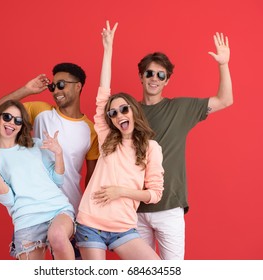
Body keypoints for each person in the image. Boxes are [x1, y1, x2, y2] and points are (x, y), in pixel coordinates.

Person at [135, 33, 233, 259]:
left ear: (167, 80)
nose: (154, 78)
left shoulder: (180, 108)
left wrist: (224, 65)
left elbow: (225, 100)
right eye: (149, 73)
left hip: (169, 207)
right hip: (135, 208)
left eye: (161, 75)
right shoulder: (127, 111)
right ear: (141, 76)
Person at [0, 63, 99, 259]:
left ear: (78, 86)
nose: (55, 90)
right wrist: (27, 90)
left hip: (69, 211)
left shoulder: (90, 129)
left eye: (62, 84)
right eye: (53, 86)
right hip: (33, 211)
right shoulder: (41, 111)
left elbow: (92, 178)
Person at [75, 21, 164, 260]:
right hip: (90, 223)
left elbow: (154, 194)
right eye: (113, 113)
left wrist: (121, 192)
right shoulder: (106, 138)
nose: (118, 115)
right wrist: (108, 50)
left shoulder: (151, 148)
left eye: (123, 109)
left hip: (124, 228)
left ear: (133, 110)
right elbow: (103, 93)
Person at [0, 100, 75, 260]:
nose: (11, 123)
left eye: (18, 120)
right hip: (26, 218)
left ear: (22, 125)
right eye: (7, 117)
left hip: (56, 209)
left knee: (58, 236)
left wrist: (59, 154)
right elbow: (9, 200)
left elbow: (58, 180)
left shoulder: (36, 145)